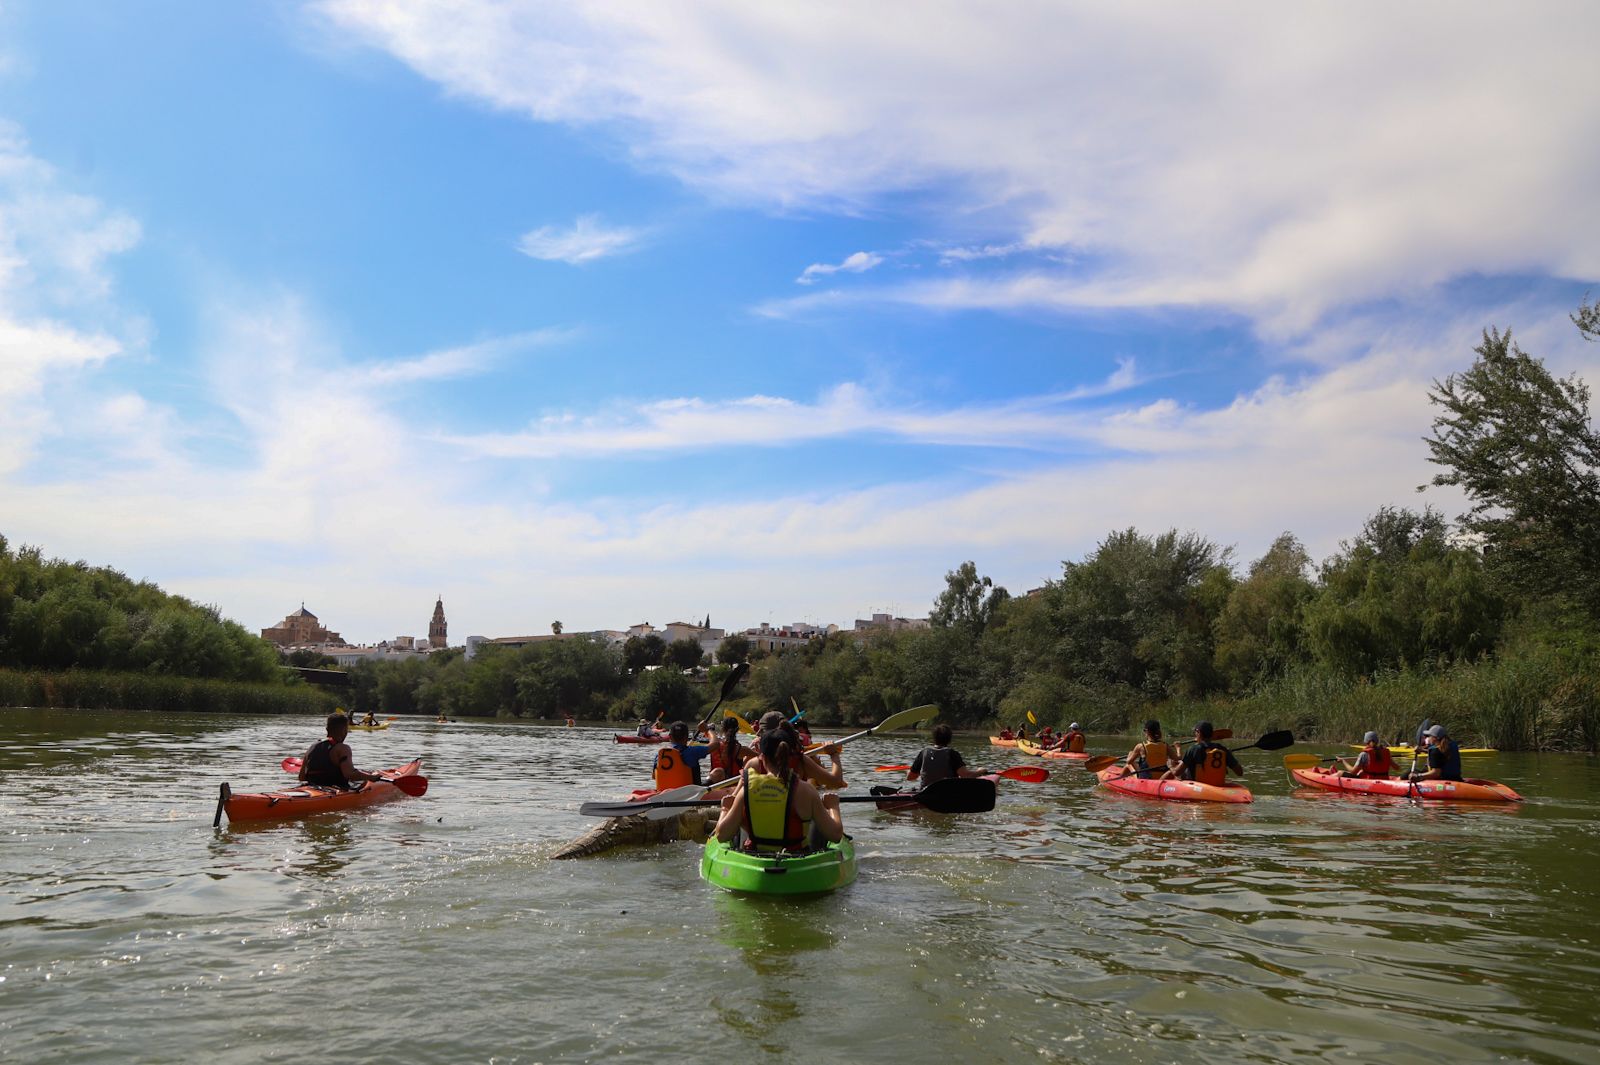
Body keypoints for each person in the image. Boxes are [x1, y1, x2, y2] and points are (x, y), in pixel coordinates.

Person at [714, 727, 843, 852]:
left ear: (762, 757)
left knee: (741, 816)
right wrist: (833, 806)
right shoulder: (808, 790)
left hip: (756, 854)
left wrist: (725, 808)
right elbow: (836, 836)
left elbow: (722, 836)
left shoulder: (747, 787)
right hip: (795, 856)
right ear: (788, 754)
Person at [298, 713, 386, 790]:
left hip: (312, 787)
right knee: (365, 783)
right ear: (344, 730)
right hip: (334, 789)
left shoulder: (312, 747)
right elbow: (349, 774)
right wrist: (371, 777)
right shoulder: (342, 748)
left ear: (327, 728)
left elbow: (301, 777)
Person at [904, 723, 991, 788]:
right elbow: (966, 775)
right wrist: (981, 771)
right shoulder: (952, 754)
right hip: (948, 793)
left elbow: (910, 777)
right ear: (949, 739)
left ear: (934, 739)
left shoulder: (924, 753)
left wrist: (909, 771)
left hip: (926, 793)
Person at [1165, 721, 1243, 786]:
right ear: (1212, 734)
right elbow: (1240, 772)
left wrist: (1171, 766)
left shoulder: (1193, 749)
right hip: (1217, 785)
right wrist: (1228, 756)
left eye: (1195, 732)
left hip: (1198, 786)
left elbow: (1176, 772)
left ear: (1198, 732)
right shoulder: (1222, 749)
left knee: (1170, 772)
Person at [653, 720, 712, 789]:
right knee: (717, 773)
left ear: (670, 737)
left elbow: (654, 776)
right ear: (686, 737)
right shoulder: (692, 751)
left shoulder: (659, 755)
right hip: (690, 795)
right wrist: (708, 730)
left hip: (663, 794)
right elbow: (715, 744)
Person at [706, 716, 748, 784]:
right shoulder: (742, 749)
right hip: (733, 784)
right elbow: (761, 757)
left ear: (722, 729)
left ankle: (706, 784)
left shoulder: (713, 745)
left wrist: (710, 730)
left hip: (715, 782)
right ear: (737, 730)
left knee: (717, 771)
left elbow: (709, 734)